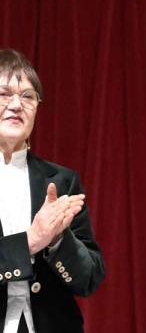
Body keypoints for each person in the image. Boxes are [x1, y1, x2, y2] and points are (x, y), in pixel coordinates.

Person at [0, 50, 105, 333]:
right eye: (4, 93)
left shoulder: (61, 182)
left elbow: (89, 278)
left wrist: (58, 239)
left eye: (28, 96)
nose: (16, 105)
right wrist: (30, 242)